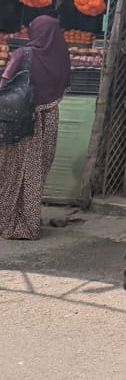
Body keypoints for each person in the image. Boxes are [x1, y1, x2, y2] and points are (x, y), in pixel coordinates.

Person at [0, 15, 72, 239]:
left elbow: (4, 81)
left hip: (21, 120)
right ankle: (27, 224)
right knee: (35, 173)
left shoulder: (24, 54)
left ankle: (6, 220)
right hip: (49, 118)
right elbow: (66, 83)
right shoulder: (62, 56)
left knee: (11, 171)